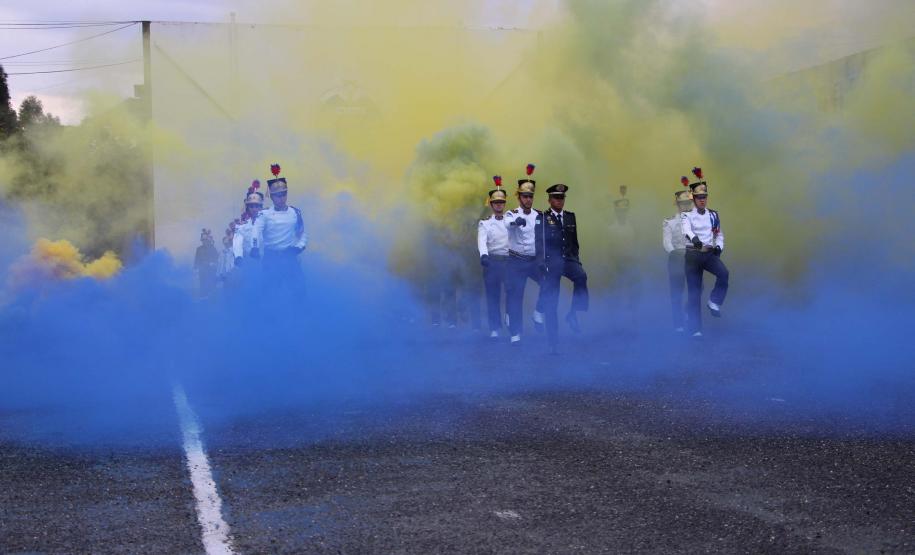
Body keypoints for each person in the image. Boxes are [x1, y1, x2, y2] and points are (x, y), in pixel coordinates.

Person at [535, 183, 589, 353]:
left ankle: (573, 313)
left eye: (562, 197)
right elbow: (539, 242)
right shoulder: (542, 218)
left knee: (581, 276)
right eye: (556, 198)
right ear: (549, 200)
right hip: (552, 261)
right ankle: (553, 343)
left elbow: (574, 241)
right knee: (552, 301)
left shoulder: (570, 216)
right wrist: (541, 262)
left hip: (568, 259)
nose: (559, 201)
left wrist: (577, 259)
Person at [680, 167, 728, 337]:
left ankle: (714, 301)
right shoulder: (687, 215)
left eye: (704, 197)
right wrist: (694, 239)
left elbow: (719, 234)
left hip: (708, 254)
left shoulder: (713, 215)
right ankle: (695, 329)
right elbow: (686, 229)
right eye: (699, 197)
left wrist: (719, 247)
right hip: (693, 255)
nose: (702, 200)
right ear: (693, 198)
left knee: (724, 273)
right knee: (694, 292)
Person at [502, 163, 543, 345]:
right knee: (515, 296)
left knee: (550, 282)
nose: (528, 200)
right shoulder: (511, 214)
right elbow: (507, 223)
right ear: (519, 197)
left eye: (530, 196)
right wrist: (516, 222)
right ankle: (515, 333)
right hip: (516, 261)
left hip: (534, 261)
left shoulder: (540, 215)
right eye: (525, 196)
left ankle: (538, 313)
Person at [253, 163, 308, 294]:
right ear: (271, 196)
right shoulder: (264, 214)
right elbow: (256, 231)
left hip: (290, 257)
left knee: (299, 291)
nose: (281, 197)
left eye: (284, 193)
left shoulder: (295, 212)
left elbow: (302, 234)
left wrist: (298, 247)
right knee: (269, 294)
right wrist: (254, 247)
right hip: (271, 258)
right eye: (278, 195)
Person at [477, 176, 510, 339]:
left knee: (512, 293)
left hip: (509, 262)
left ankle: (510, 317)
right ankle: (494, 328)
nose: (499, 205)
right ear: (491, 204)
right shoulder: (485, 223)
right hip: (492, 263)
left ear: (505, 204)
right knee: (493, 297)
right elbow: (482, 241)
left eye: (502, 202)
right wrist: (484, 255)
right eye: (496, 202)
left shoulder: (511, 220)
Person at [662, 186, 694, 332]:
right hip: (676, 258)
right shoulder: (669, 222)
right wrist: (676, 253)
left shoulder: (697, 222)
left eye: (688, 204)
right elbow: (666, 242)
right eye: (683, 204)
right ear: (678, 205)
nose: (686, 207)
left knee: (696, 289)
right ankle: (678, 324)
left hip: (693, 258)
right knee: (677, 292)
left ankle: (689, 313)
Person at [233, 181, 264, 265]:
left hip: (267, 262)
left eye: (256, 206)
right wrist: (238, 256)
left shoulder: (268, 223)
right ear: (248, 208)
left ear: (261, 207)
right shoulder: (242, 226)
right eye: (251, 206)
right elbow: (238, 242)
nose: (254, 209)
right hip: (249, 263)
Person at [193, 228, 219, 298]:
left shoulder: (212, 248)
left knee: (211, 285)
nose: (204, 241)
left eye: (205, 240)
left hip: (211, 270)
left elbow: (216, 258)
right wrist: (195, 269)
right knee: (202, 285)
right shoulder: (199, 249)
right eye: (203, 240)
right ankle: (202, 299)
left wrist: (213, 263)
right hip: (202, 271)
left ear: (208, 240)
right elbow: (196, 260)